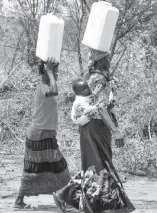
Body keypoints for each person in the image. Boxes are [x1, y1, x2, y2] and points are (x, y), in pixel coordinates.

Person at [53, 50, 135, 213]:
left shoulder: (89, 76)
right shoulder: (101, 79)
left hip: (88, 127)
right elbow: (100, 107)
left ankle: (66, 194)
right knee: (101, 163)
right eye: (107, 57)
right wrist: (115, 130)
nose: (110, 60)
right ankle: (98, 205)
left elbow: (94, 102)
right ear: (101, 60)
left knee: (94, 162)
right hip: (97, 126)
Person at [13, 58, 71, 210]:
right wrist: (50, 72)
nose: (57, 74)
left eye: (56, 71)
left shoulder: (43, 83)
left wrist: (47, 70)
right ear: (46, 72)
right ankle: (20, 201)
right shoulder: (43, 86)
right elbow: (55, 90)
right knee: (43, 168)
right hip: (39, 134)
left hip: (43, 134)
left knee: (52, 167)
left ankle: (64, 197)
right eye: (55, 71)